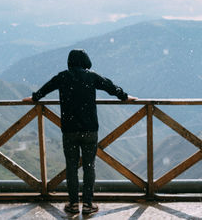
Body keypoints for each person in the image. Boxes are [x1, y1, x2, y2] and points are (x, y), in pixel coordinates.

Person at [22, 49, 137, 215]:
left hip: (69, 130)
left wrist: (34, 98)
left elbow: (45, 90)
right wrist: (125, 96)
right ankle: (88, 205)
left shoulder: (62, 77)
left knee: (71, 167)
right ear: (86, 61)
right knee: (89, 167)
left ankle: (73, 204)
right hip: (90, 129)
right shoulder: (92, 76)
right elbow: (110, 87)